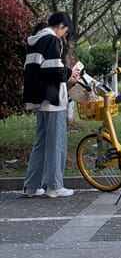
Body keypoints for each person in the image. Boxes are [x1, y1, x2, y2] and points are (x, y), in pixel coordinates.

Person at [22, 12, 81, 198]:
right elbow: (54, 71)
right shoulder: (52, 41)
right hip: (53, 98)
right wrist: (70, 73)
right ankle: (54, 186)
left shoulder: (35, 41)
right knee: (57, 142)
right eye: (65, 31)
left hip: (39, 99)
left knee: (40, 142)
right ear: (61, 26)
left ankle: (31, 186)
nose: (64, 35)